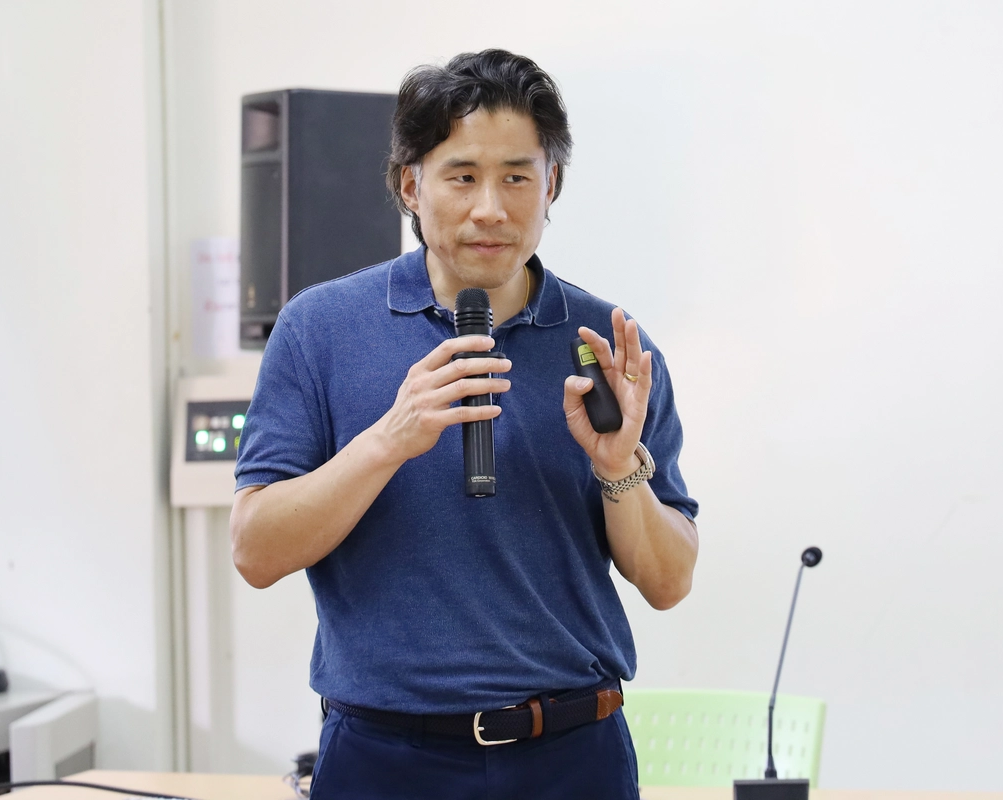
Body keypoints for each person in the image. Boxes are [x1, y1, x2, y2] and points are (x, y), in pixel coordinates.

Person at [231, 49, 699, 800]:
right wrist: (389, 440)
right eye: (462, 176)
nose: (491, 208)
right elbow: (255, 551)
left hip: (572, 755)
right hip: (383, 758)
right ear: (409, 185)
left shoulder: (608, 346)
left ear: (552, 185)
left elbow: (670, 581)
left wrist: (619, 469)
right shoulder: (319, 329)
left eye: (517, 177)